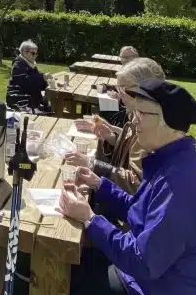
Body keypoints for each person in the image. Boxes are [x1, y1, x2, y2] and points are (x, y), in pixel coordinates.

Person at [59, 79, 196, 295]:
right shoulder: (170, 161)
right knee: (70, 261)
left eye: (141, 114)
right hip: (163, 285)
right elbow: (139, 210)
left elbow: (143, 262)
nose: (133, 121)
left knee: (57, 280)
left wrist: (89, 218)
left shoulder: (179, 182)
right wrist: (100, 184)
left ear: (169, 122)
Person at [68, 57, 165, 194]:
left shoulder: (150, 122)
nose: (118, 93)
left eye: (122, 88)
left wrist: (93, 165)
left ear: (143, 88)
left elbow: (136, 185)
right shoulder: (137, 112)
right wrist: (111, 136)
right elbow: (130, 151)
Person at [6, 40, 52, 113]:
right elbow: (26, 83)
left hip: (30, 101)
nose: (35, 56)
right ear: (24, 53)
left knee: (54, 108)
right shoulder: (18, 66)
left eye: (36, 53)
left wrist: (47, 83)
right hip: (21, 102)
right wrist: (42, 77)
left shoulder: (30, 64)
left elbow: (36, 81)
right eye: (33, 53)